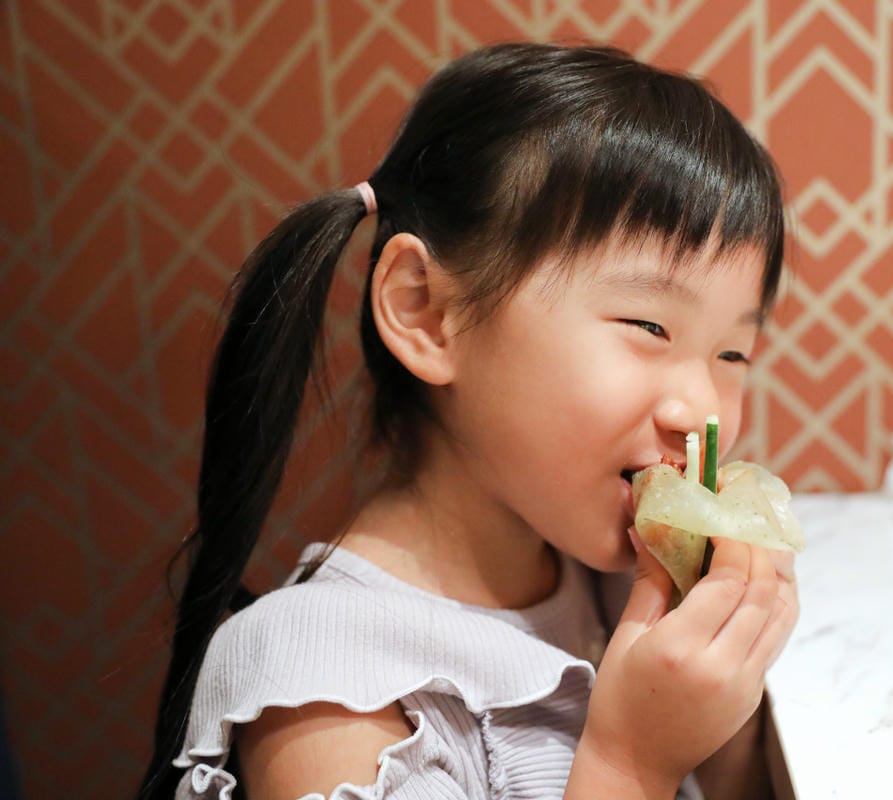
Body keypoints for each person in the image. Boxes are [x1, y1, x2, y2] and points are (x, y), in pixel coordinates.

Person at [138, 41, 798, 800]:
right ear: (427, 312)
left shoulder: (610, 578)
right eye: (649, 326)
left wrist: (726, 698)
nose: (703, 412)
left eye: (732, 353)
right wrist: (631, 763)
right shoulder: (321, 689)